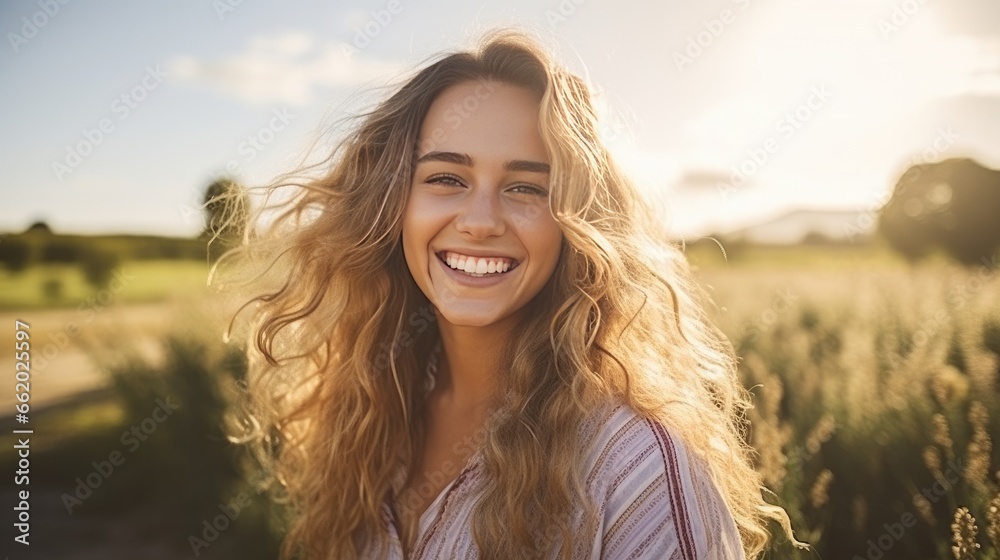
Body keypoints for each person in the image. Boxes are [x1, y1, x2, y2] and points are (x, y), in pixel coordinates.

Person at [227, 28, 798, 560]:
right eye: (447, 178)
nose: (480, 221)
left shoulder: (634, 469)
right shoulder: (372, 409)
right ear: (392, 203)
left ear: (576, 224)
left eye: (526, 187)